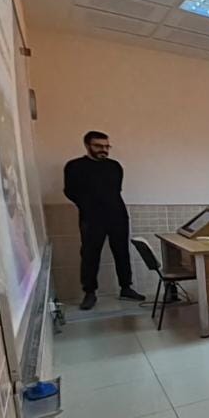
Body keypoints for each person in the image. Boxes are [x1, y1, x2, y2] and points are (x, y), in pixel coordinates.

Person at [63, 130, 145, 309]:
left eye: (107, 146)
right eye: (98, 146)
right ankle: (89, 292)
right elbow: (70, 191)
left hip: (117, 215)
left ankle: (126, 287)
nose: (104, 150)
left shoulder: (114, 166)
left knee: (122, 252)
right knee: (90, 255)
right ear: (87, 145)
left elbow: (116, 190)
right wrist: (87, 206)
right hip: (91, 218)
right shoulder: (75, 166)